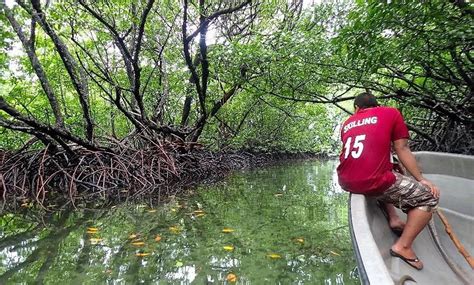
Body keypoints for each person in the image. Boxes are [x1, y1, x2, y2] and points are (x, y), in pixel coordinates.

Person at [337, 92, 440, 270]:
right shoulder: (390, 113)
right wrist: (421, 179)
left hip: (346, 180)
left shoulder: (347, 124)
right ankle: (403, 247)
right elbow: (402, 148)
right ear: (377, 106)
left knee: (389, 174)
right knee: (428, 198)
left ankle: (393, 218)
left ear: (356, 109)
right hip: (372, 180)